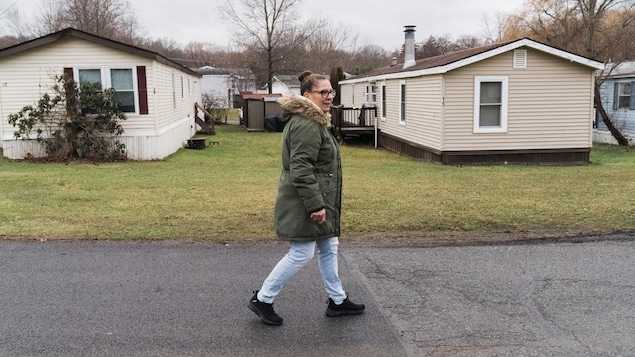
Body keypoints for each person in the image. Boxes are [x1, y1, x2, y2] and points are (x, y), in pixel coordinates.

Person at [248, 70, 365, 325]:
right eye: (322, 92)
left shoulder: (316, 120)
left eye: (330, 91)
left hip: (319, 197)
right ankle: (263, 299)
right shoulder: (307, 124)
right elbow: (301, 169)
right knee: (301, 252)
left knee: (328, 247)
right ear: (307, 95)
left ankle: (337, 300)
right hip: (307, 200)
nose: (328, 96)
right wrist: (316, 205)